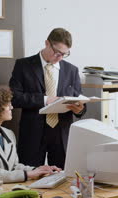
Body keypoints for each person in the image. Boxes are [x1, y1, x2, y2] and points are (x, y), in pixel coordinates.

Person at [9, 28, 85, 168]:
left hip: (61, 132)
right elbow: (15, 98)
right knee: (30, 176)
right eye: (57, 52)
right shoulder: (23, 65)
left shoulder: (71, 70)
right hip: (33, 131)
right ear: (47, 43)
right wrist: (45, 100)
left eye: (64, 54)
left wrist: (79, 109)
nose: (60, 57)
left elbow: (78, 98)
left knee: (63, 178)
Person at [0, 85, 61, 183]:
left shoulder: (8, 134)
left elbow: (14, 166)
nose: (12, 107)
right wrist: (29, 174)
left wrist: (38, 170)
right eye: (7, 104)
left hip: (6, 187)